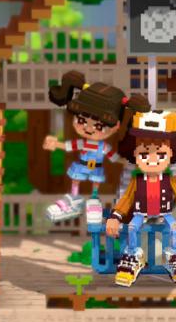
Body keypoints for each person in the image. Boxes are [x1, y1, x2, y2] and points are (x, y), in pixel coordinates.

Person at [104, 110, 176, 286]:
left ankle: (174, 256)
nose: (152, 160)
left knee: (173, 226)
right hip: (141, 213)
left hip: (163, 213)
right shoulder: (136, 181)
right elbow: (126, 199)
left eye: (160, 155)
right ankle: (133, 257)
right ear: (135, 155)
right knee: (132, 227)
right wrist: (115, 217)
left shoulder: (172, 180)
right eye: (144, 155)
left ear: (171, 155)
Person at [43, 71, 148, 226]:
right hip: (81, 166)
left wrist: (129, 162)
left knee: (95, 183)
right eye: (81, 120)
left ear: (115, 126)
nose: (88, 128)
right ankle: (73, 198)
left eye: (98, 126)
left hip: (96, 168)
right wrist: (56, 144)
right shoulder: (83, 143)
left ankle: (94, 199)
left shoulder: (103, 146)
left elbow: (114, 157)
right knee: (76, 180)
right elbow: (69, 146)